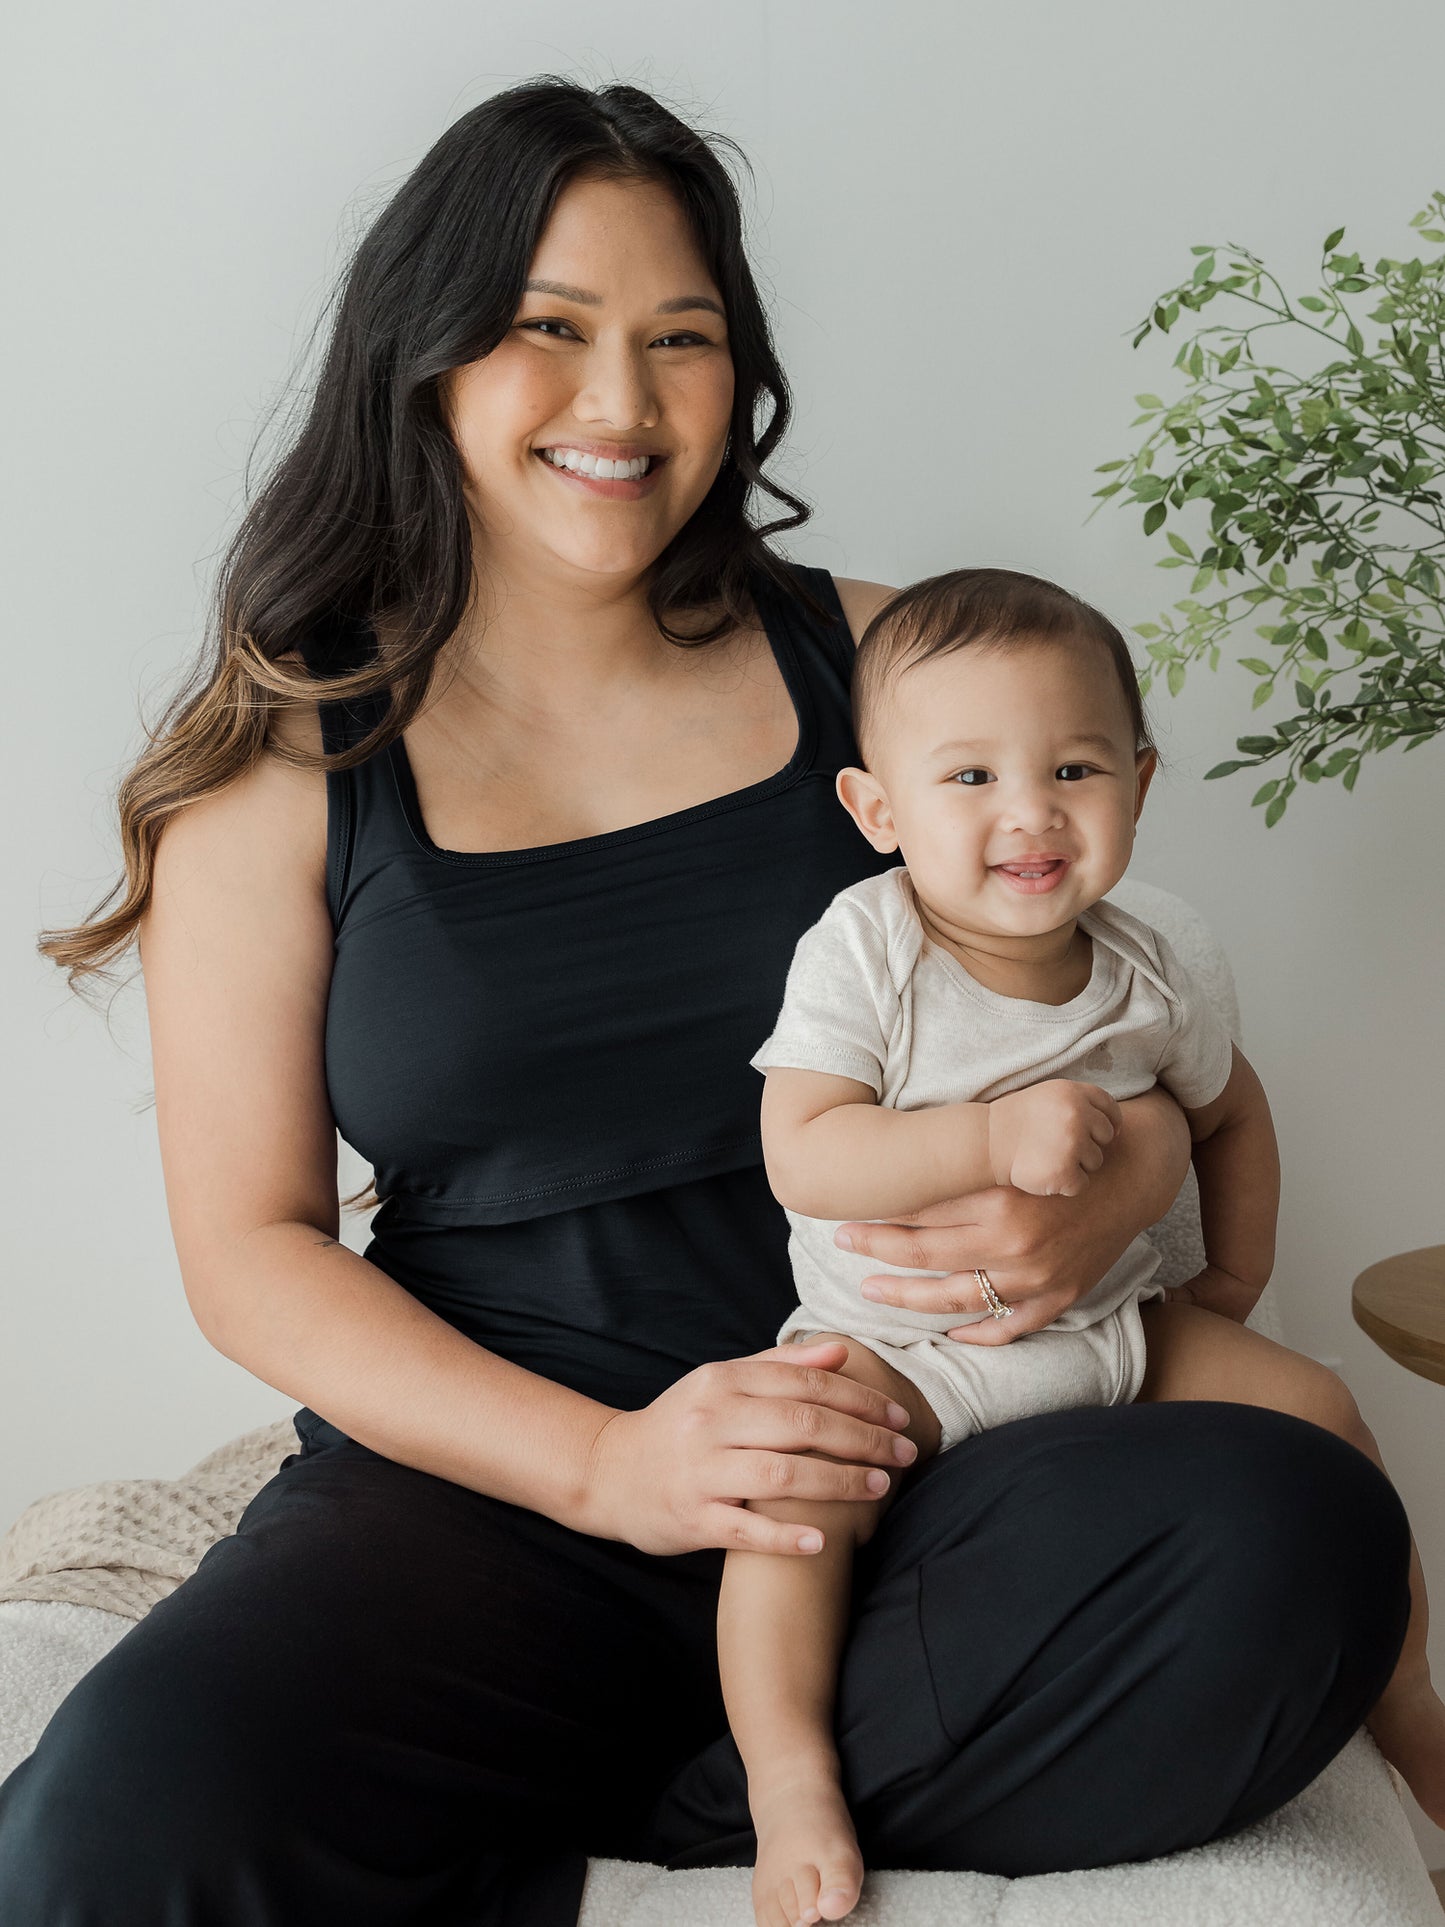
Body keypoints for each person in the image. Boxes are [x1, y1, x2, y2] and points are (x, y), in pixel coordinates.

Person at [0, 77, 1412, 1927]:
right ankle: (716, 1764)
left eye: (682, 341)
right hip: (496, 1495)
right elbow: (251, 1248)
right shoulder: (286, 773)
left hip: (934, 1451)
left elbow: (1117, 1011)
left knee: (1288, 1534)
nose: (620, 404)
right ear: (424, 362)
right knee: (101, 1841)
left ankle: (717, 1786)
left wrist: (1139, 1160)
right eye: (547, 335)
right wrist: (612, 1468)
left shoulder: (892, 665)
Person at [721, 566, 1445, 1927]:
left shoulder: (1152, 957)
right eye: (970, 777)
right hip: (899, 1347)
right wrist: (990, 1143)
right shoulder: (865, 950)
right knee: (786, 1508)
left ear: (1139, 784)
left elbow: (1231, 1112)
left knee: (1324, 1411)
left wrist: (1228, 1280)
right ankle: (788, 1774)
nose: (1028, 813)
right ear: (876, 809)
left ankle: (1407, 1701)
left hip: (1110, 1326)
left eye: (1071, 767)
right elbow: (803, 1150)